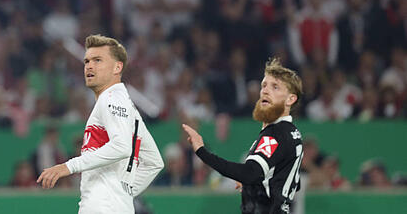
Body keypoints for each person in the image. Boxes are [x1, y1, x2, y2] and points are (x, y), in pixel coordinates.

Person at [37, 35, 163, 213]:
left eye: (98, 60)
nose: (89, 66)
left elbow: (121, 146)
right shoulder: (130, 110)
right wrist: (122, 194)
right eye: (87, 61)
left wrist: (68, 166)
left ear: (117, 67)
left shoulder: (111, 99)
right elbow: (154, 162)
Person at [182, 57, 304, 214]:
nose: (265, 91)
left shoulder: (275, 134)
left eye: (275, 87)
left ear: (290, 99)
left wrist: (201, 151)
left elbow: (249, 173)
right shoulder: (293, 133)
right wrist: (253, 186)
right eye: (264, 85)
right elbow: (292, 181)